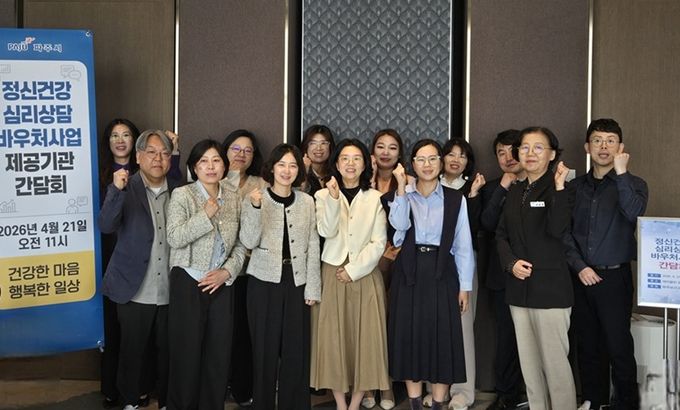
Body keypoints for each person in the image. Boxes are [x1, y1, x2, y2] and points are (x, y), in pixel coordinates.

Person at [386, 139, 475, 410]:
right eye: (421, 159)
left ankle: (437, 404)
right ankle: (414, 403)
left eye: (433, 158)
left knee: (441, 339)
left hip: (442, 271)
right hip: (408, 271)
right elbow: (398, 227)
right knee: (410, 337)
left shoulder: (455, 199)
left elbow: (463, 244)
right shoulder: (401, 195)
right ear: (412, 164)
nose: (427, 165)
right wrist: (401, 188)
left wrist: (464, 286)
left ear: (441, 162)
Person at [98, 119, 181, 408]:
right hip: (134, 287)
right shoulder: (125, 186)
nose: (158, 159)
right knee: (132, 352)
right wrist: (115, 191)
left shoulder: (180, 190)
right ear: (138, 157)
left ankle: (168, 401)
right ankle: (130, 401)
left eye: (165, 153)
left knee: (169, 352)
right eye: (151, 152)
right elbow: (106, 226)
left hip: (171, 288)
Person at [566, 119, 647, 410]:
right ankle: (593, 399)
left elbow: (634, 213)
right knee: (587, 343)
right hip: (581, 276)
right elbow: (564, 233)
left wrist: (622, 173)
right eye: (597, 140)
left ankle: (626, 403)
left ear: (620, 147)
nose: (603, 146)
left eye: (610, 140)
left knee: (618, 345)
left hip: (615, 278)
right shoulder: (575, 187)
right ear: (587, 147)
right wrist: (579, 266)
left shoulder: (635, 184)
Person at [495, 127, 576, 410]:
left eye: (538, 147)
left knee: (555, 365)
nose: (530, 153)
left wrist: (560, 187)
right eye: (525, 148)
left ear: (552, 155)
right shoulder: (516, 189)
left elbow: (557, 229)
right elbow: (501, 235)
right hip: (519, 290)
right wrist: (511, 263)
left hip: (550, 291)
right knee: (529, 367)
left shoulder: (560, 188)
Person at [165, 139, 246, 410]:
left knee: (218, 354)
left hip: (221, 283)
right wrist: (205, 215)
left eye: (216, 160)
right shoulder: (183, 195)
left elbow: (241, 244)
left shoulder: (234, 195)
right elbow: (175, 237)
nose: (210, 167)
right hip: (189, 279)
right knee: (186, 354)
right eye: (204, 161)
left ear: (224, 165)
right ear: (194, 167)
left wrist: (227, 271)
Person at [239, 143, 321, 410]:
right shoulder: (256, 197)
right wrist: (254, 207)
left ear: (299, 171)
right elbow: (248, 241)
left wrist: (312, 287)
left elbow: (312, 245)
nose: (287, 170)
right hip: (263, 282)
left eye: (293, 165)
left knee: (296, 350)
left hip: (296, 281)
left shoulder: (307, 201)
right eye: (282, 164)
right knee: (264, 349)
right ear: (272, 168)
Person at [310, 139, 390, 410]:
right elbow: (326, 231)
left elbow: (379, 243)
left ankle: (355, 404)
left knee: (367, 339)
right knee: (332, 339)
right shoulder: (323, 196)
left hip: (364, 274)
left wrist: (354, 270)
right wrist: (334, 199)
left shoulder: (375, 197)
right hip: (332, 272)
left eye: (356, 158)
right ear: (336, 163)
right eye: (345, 158)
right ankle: (340, 404)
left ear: (365, 164)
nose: (351, 163)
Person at [435, 138, 485, 410]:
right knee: (433, 326)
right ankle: (436, 389)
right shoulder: (427, 184)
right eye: (451, 154)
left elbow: (476, 230)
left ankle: (463, 392)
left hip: (462, 263)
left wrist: (473, 196)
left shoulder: (472, 187)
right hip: (431, 264)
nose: (456, 160)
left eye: (462, 156)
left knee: (462, 326)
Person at [364, 128, 411, 410]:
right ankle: (370, 384)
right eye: (380, 146)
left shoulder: (408, 182)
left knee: (391, 324)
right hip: (369, 261)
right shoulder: (361, 180)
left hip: (399, 260)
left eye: (392, 148)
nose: (386, 152)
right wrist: (369, 179)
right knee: (370, 324)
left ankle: (388, 384)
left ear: (400, 153)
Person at [480, 130, 527, 410]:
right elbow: (486, 223)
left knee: (536, 339)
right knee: (506, 338)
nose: (508, 157)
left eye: (513, 150)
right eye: (501, 152)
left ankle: (537, 394)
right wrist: (503, 187)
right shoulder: (490, 189)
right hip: (501, 276)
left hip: (536, 276)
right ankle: (507, 395)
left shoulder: (539, 185)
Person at [222, 129, 267, 407]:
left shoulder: (260, 183)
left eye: (248, 150)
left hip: (248, 272)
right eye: (236, 149)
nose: (241, 154)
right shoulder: (213, 180)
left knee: (243, 333)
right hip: (216, 269)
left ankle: (242, 387)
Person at [300, 124, 335, 196]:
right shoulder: (296, 169)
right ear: (306, 147)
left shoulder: (336, 171)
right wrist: (304, 171)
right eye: (313, 143)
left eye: (323, 143)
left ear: (330, 146)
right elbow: (299, 197)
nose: (318, 148)